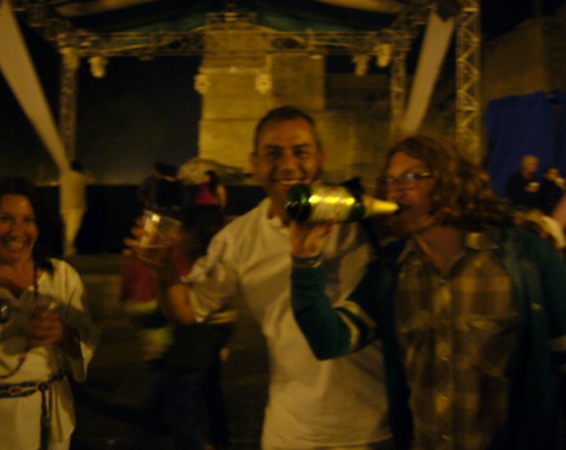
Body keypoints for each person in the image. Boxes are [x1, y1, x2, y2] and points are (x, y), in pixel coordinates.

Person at [127, 106, 392, 449]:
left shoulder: (365, 218)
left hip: (375, 430)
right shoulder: (238, 239)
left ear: (321, 157)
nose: (288, 164)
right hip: (289, 431)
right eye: (273, 154)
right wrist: (162, 269)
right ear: (254, 164)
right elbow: (187, 312)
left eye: (301, 152)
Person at [290, 133, 566, 450]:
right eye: (389, 180)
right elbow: (330, 340)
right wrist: (305, 258)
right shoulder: (392, 272)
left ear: (451, 180)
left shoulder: (526, 259)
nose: (395, 190)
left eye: (411, 177)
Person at [0, 176, 100, 449]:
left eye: (28, 219)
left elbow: (85, 341)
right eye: (5, 218)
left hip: (43, 416)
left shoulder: (61, 277)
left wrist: (62, 334)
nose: (17, 231)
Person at [145, 205, 233, 450]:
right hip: (199, 352)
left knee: (185, 416)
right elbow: (172, 309)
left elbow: (183, 314)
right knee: (207, 403)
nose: (177, 237)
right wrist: (158, 271)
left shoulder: (214, 269)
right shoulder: (201, 265)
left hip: (192, 353)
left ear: (197, 234)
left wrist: (163, 268)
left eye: (182, 231)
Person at [59, 160, 93, 256]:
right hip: (76, 206)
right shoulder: (80, 177)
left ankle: (67, 248)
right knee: (73, 228)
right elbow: (90, 181)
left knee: (67, 228)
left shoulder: (63, 177)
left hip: (64, 206)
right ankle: (69, 249)